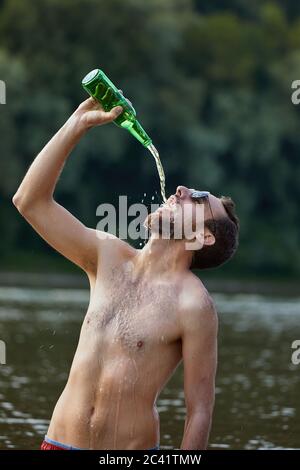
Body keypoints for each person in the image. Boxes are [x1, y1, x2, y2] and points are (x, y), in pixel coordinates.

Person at [12, 97, 239, 450]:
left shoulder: (194, 305)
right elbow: (29, 201)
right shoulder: (108, 255)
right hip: (56, 443)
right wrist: (77, 125)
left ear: (203, 236)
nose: (181, 190)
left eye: (197, 197)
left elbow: (199, 411)